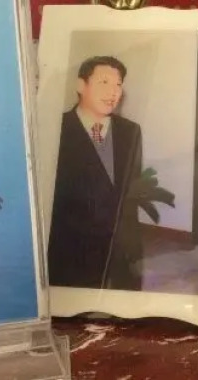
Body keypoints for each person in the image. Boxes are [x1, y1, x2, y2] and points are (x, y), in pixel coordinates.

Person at [47, 56, 143, 291]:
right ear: (81, 85)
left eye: (118, 84)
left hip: (121, 255)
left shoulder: (130, 131)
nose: (113, 92)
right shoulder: (55, 129)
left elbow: (131, 194)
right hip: (71, 255)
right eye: (104, 82)